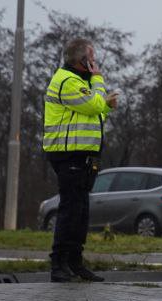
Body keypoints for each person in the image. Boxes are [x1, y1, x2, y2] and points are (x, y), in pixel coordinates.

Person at [42, 38, 117, 283]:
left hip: (82, 154)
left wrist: (107, 106)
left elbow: (94, 111)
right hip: (68, 154)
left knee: (80, 211)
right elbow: (93, 104)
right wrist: (98, 80)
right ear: (82, 59)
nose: (95, 62)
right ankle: (58, 264)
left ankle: (75, 263)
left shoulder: (79, 81)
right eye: (92, 57)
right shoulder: (67, 81)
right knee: (70, 210)